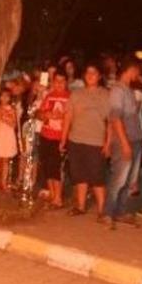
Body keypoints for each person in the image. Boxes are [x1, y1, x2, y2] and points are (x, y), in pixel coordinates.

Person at [60, 63, 110, 219]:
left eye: (94, 72)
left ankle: (102, 210)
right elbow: (68, 117)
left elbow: (111, 122)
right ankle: (80, 206)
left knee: (97, 177)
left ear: (99, 76)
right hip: (76, 139)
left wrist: (108, 143)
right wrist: (63, 139)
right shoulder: (76, 94)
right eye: (87, 72)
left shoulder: (106, 95)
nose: (90, 75)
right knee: (79, 175)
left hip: (96, 142)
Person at [104, 59, 142, 225]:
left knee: (127, 181)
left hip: (134, 139)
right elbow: (115, 118)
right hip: (124, 141)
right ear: (132, 69)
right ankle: (107, 213)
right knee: (119, 178)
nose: (139, 75)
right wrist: (124, 142)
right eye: (138, 71)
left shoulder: (128, 90)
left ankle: (119, 212)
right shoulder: (118, 90)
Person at [37, 71, 70, 207]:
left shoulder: (70, 97)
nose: (59, 84)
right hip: (46, 135)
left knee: (57, 168)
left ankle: (58, 197)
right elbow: (39, 113)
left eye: (62, 81)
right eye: (56, 81)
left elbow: (72, 118)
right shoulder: (49, 96)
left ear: (66, 83)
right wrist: (46, 115)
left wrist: (61, 117)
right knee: (47, 166)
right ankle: (52, 193)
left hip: (59, 137)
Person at [0, 88, 18, 191]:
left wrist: (4, 116)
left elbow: (13, 125)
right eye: (2, 96)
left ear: (10, 98)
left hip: (8, 135)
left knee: (5, 160)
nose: (4, 98)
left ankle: (4, 183)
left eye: (7, 96)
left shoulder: (12, 109)